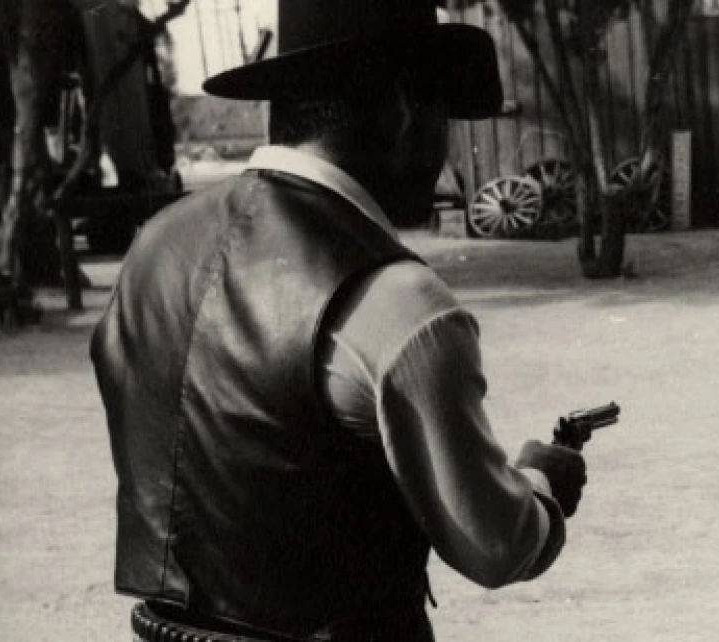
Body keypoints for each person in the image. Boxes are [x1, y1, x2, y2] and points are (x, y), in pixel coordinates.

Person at [90, 2, 587, 640]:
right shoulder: (401, 301)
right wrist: (544, 481)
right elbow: (496, 545)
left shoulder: (153, 246)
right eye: (445, 120)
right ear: (407, 112)